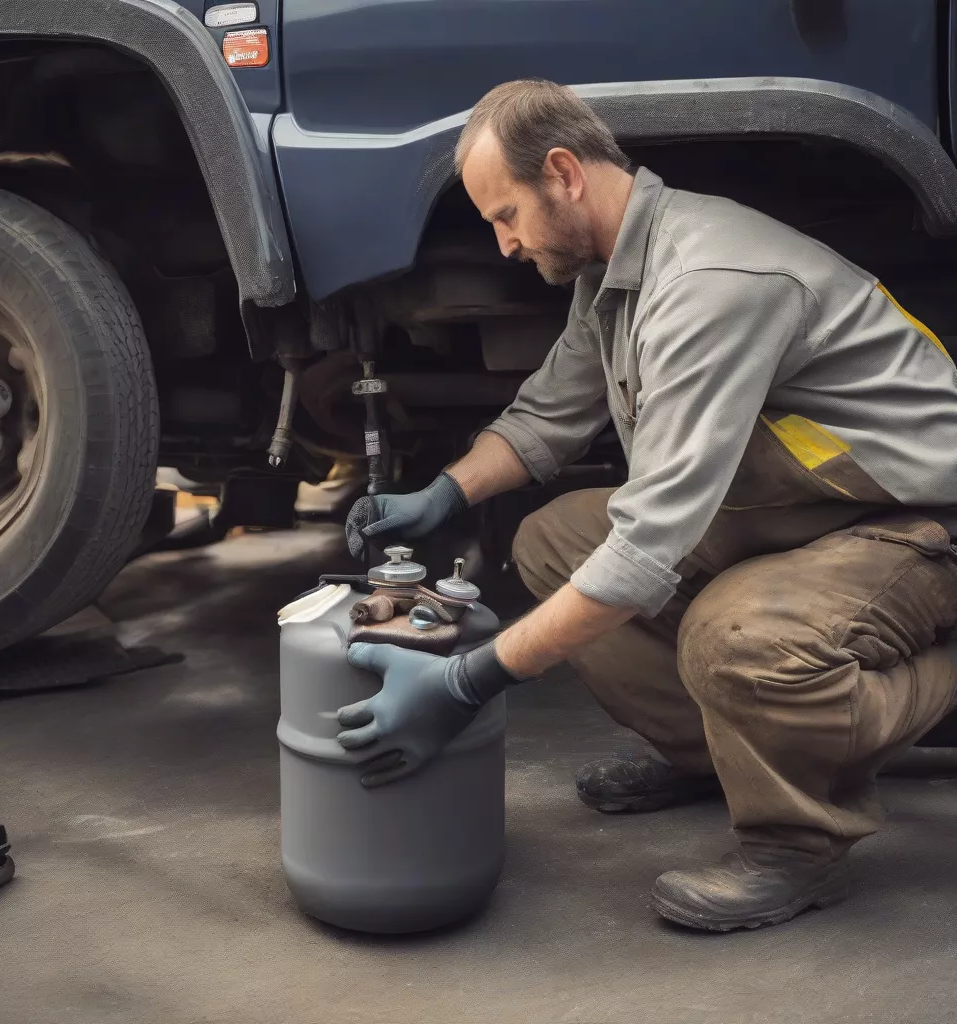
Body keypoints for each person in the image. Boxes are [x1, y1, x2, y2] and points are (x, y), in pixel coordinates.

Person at [338, 79, 957, 932]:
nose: (506, 244)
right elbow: (546, 416)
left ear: (563, 173)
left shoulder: (709, 281)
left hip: (913, 524)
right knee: (554, 538)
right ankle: (722, 757)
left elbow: (645, 550)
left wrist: (466, 680)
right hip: (808, 506)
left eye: (505, 214)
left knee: (738, 638)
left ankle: (796, 844)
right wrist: (442, 493)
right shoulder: (615, 273)